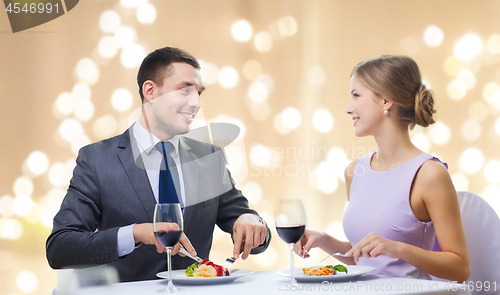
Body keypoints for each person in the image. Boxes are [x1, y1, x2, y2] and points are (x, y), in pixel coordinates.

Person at [46, 47, 271, 282]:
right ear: (150, 91)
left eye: (199, 94)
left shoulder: (210, 157)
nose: (196, 103)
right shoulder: (96, 160)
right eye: (185, 90)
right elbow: (60, 249)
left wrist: (251, 222)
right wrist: (136, 233)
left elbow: (250, 232)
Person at [294, 55, 470, 282]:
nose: (349, 108)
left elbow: (461, 268)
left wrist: (399, 249)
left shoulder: (429, 174)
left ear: (386, 101)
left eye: (356, 95)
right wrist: (324, 240)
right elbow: (366, 258)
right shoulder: (354, 171)